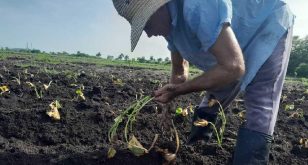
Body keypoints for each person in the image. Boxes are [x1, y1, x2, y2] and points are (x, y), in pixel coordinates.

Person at [112, 0, 294, 164]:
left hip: (267, 25)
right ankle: (195, 151)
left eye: (147, 24)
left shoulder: (198, 5)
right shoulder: (172, 28)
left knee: (260, 103)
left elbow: (233, 68)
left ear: (160, 7)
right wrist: (168, 104)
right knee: (215, 95)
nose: (148, 34)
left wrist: (181, 90)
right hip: (232, 53)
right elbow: (179, 72)